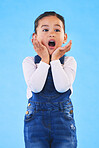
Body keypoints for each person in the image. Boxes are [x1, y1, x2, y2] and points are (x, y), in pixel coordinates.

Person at [22, 11, 77, 148]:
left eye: (57, 30)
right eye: (45, 29)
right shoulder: (29, 62)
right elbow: (35, 87)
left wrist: (56, 60)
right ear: (35, 37)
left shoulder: (69, 61)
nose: (51, 34)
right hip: (36, 120)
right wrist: (45, 60)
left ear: (64, 37)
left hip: (62, 119)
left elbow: (62, 87)